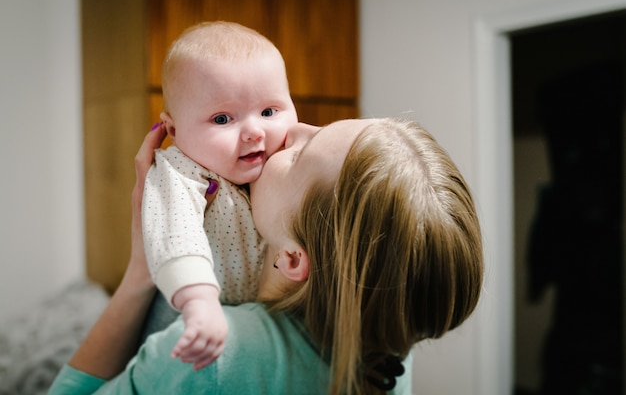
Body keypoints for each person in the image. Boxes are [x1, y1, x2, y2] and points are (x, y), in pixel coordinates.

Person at [49, 117, 484, 394]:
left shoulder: (210, 354)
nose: (289, 129)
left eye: (298, 157)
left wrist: (140, 272)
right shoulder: (387, 358)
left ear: (294, 258)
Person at [141, 21, 298, 368]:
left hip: (257, 320)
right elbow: (175, 231)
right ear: (173, 130)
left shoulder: (283, 160)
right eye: (223, 118)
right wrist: (199, 301)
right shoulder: (182, 170)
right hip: (186, 321)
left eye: (269, 112)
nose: (255, 132)